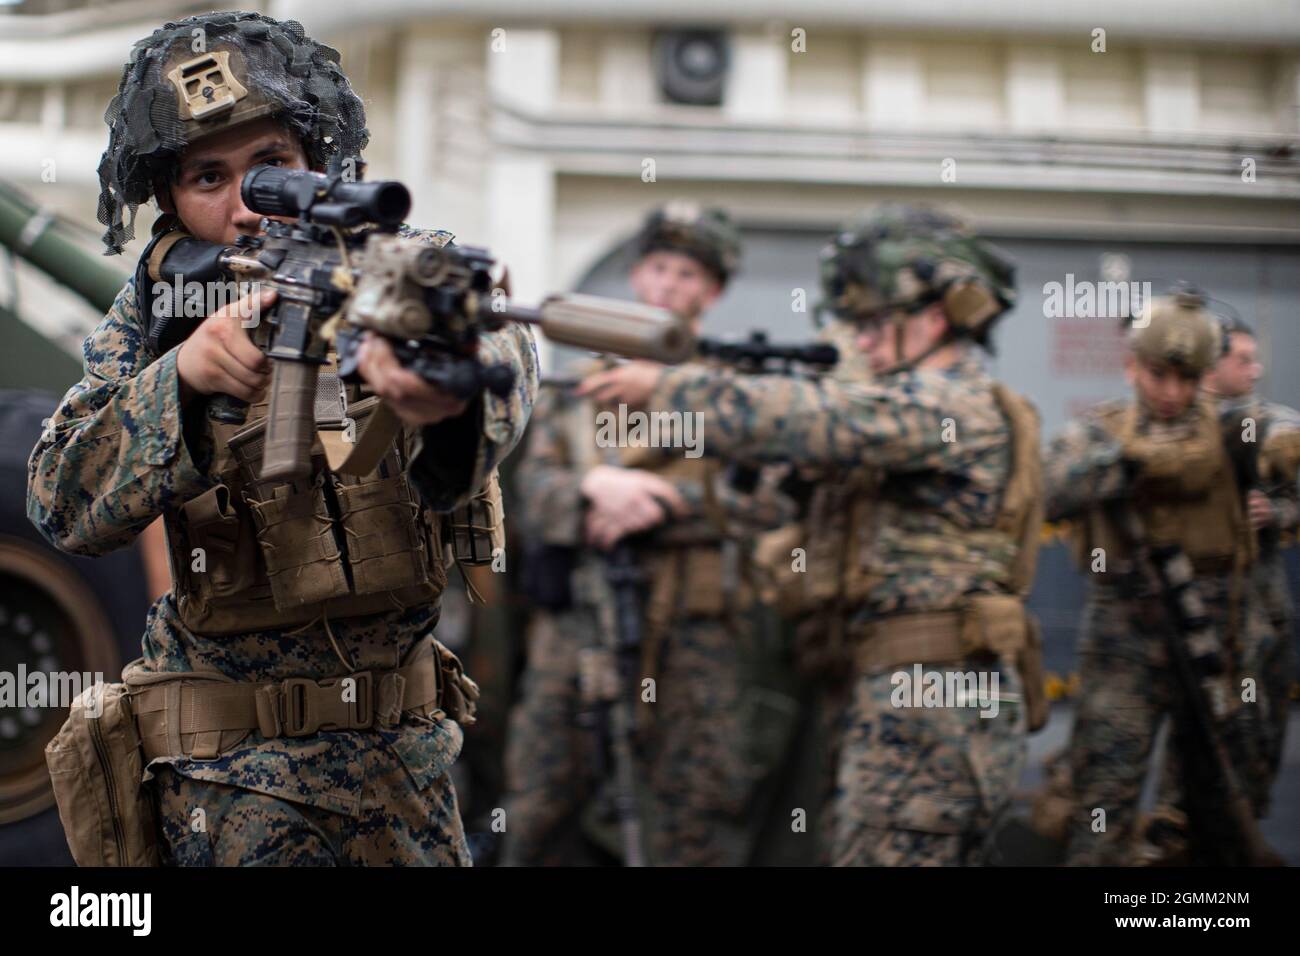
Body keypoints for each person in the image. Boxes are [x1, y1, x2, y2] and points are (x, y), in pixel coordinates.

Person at [28, 11, 538, 866]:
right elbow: (59, 501)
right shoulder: (160, 312)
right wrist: (182, 381)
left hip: (404, 770)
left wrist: (447, 393)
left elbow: (501, 342)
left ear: (314, 163)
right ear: (169, 199)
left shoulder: (395, 264)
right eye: (208, 177)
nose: (244, 206)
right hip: (231, 783)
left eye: (270, 166)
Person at [576, 204, 1045, 865]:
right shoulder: (898, 404)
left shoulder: (953, 405)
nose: (863, 342)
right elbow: (786, 477)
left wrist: (668, 387)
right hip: (889, 687)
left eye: (876, 324)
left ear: (936, 319)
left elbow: (822, 419)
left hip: (933, 693)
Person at [501, 203, 794, 866]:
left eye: (688, 274)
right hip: (581, 622)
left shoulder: (735, 390)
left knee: (696, 809)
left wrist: (664, 502)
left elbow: (772, 504)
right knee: (541, 798)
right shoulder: (581, 384)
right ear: (637, 276)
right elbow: (533, 495)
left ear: (711, 292)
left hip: (698, 630)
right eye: (659, 267)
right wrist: (593, 489)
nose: (668, 284)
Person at [1044, 289, 1265, 865]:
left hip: (1212, 643)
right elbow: (1051, 488)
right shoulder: (1100, 432)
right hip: (1123, 643)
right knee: (1102, 804)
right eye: (1157, 375)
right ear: (1131, 367)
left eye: (1186, 379)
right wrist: (1130, 465)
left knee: (1210, 810)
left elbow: (1277, 444)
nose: (1171, 393)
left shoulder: (1232, 431)